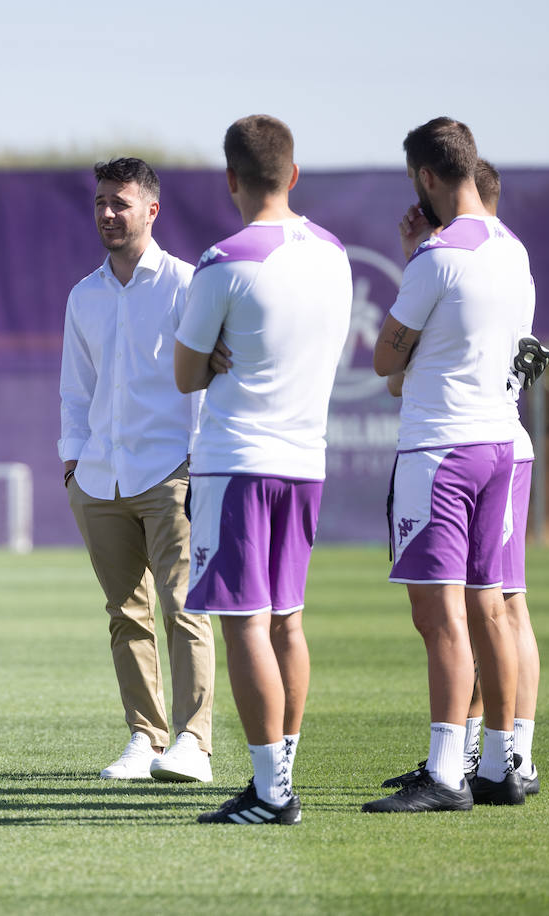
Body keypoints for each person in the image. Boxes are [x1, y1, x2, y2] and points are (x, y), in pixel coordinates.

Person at [173, 115, 352, 825]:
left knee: (244, 624)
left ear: (231, 180)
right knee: (287, 622)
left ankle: (273, 792)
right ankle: (277, 777)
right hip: (306, 460)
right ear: (294, 173)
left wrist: (216, 348)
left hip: (237, 463)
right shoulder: (335, 253)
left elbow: (187, 372)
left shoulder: (223, 261)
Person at [363, 118, 535, 813]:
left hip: (441, 452)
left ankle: (445, 774)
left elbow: (383, 359)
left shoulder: (437, 257)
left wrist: (414, 257)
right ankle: (497, 765)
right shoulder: (511, 248)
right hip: (501, 443)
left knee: (440, 616)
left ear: (426, 177)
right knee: (491, 611)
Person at [59, 157, 216, 782]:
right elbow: (76, 389)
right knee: (125, 614)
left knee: (184, 607)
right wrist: (72, 465)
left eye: (120, 203)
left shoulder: (188, 284)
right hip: (98, 477)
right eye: (101, 201)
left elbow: (207, 382)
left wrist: (199, 465)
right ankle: (145, 739)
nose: (107, 213)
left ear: (152, 209)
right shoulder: (83, 294)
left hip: (172, 470)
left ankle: (195, 745)